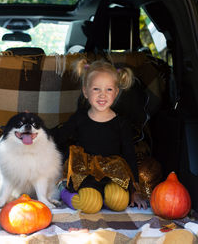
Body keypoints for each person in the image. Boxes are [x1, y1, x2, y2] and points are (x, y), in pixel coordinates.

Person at [52, 59, 148, 213]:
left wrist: (135, 190)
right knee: (91, 205)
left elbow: (129, 155)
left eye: (109, 89)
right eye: (96, 89)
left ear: (116, 92)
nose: (102, 95)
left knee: (119, 202)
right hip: (85, 173)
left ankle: (105, 197)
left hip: (113, 173)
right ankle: (64, 192)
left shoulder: (122, 123)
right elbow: (58, 137)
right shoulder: (79, 118)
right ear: (85, 91)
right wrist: (37, 132)